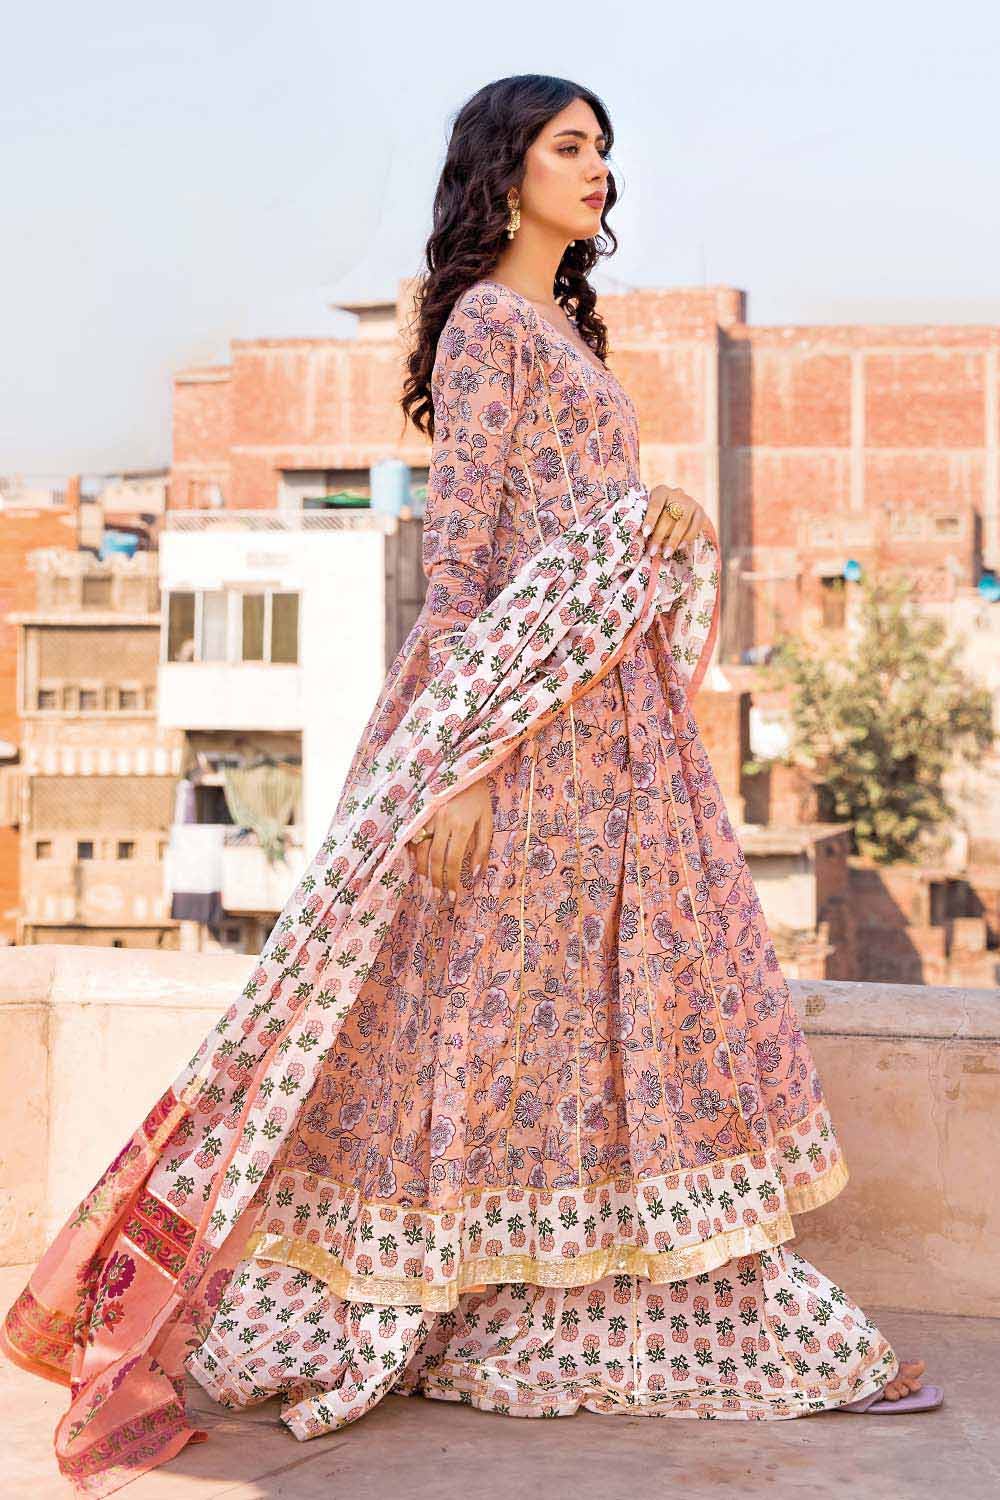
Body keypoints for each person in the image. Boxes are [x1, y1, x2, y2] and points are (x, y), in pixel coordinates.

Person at [1, 73, 938, 1499]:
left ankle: (603, 1317)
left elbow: (575, 525)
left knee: (593, 1032)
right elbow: (465, 568)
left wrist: (655, 515)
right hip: (523, 747)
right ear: (507, 173)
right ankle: (423, 1309)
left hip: (606, 740)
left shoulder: (561, 329)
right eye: (571, 147)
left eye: (605, 148)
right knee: (494, 1032)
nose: (599, 169)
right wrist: (460, 770)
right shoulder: (490, 328)